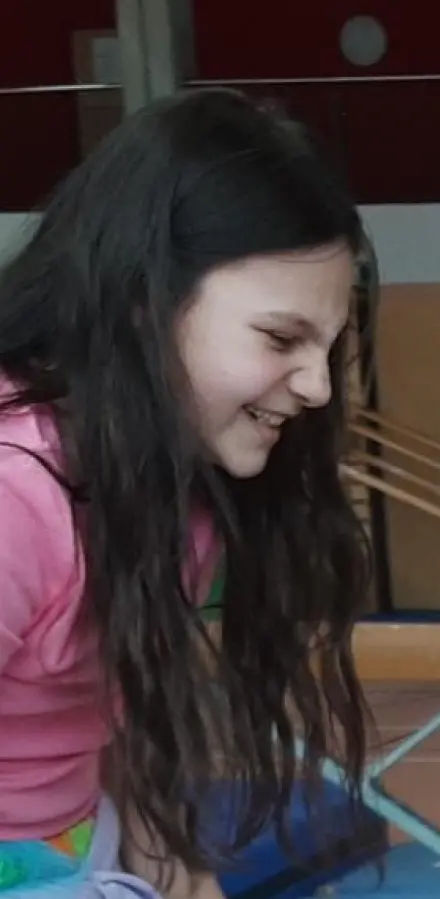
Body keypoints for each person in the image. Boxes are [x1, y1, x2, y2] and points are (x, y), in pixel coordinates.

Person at [0, 89, 374, 897]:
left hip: (76, 844)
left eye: (329, 346)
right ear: (143, 306)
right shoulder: (14, 494)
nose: (315, 385)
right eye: (281, 338)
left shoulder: (182, 500)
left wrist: (178, 870)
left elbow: (126, 733)